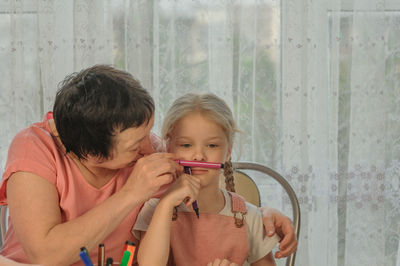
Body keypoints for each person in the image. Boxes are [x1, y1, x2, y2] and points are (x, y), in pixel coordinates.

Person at [0, 65, 297, 265]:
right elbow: (45, 253)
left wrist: (262, 214)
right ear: (93, 156)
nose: (150, 146)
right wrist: (131, 193)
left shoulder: (147, 148)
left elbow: (207, 184)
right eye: (135, 144)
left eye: (148, 132)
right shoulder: (34, 148)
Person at [133, 93, 281, 266]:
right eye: (186, 145)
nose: (198, 156)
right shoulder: (154, 210)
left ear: (228, 152)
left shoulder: (250, 217)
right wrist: (166, 204)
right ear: (168, 147)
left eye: (212, 145)